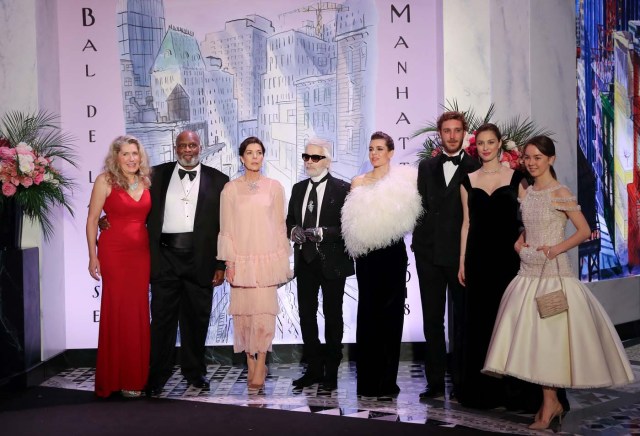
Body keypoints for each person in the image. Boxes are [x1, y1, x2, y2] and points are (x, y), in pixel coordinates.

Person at [483, 135, 634, 430]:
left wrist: (555, 249)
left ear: (551, 159)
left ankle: (551, 402)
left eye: (538, 157)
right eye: (527, 157)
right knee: (533, 341)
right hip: (527, 273)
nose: (531, 163)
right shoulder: (525, 191)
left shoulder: (559, 192)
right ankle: (549, 401)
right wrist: (520, 241)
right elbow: (530, 225)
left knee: (550, 340)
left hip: (553, 276)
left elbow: (583, 230)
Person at [145, 130, 229, 395]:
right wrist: (108, 219)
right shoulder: (155, 175)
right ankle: (157, 375)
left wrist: (220, 264)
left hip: (200, 260)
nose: (188, 150)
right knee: (161, 321)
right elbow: (135, 206)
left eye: (192, 145)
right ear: (175, 147)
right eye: (183, 145)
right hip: (165, 259)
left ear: (200, 147)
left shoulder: (219, 180)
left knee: (196, 321)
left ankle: (195, 373)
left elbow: (225, 227)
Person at [341, 131, 422, 397]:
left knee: (391, 318)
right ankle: (367, 382)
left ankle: (387, 382)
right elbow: (352, 224)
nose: (374, 153)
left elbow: (407, 219)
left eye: (379, 149)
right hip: (366, 259)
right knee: (368, 317)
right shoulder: (358, 182)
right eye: (371, 149)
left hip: (392, 256)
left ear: (390, 152)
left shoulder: (404, 182)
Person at [456, 123, 528, 408]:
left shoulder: (517, 178)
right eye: (481, 143)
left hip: (509, 259)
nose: (486, 147)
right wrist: (462, 261)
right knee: (481, 322)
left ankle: (513, 392)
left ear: (499, 144)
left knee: (510, 322)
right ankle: (483, 391)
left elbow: (530, 217)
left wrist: (524, 242)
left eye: (491, 142)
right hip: (477, 259)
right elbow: (466, 224)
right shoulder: (467, 180)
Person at [412, 111, 481, 399]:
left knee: (463, 319)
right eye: (446, 131)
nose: (452, 135)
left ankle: (463, 381)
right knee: (431, 319)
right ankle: (436, 383)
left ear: (464, 133)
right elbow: (420, 206)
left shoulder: (477, 166)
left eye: (457, 130)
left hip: (460, 255)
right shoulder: (426, 166)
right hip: (427, 253)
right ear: (439, 134)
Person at [218, 136, 292, 390]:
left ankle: (261, 362)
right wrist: (230, 262)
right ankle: (250, 362)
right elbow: (226, 228)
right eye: (250, 153)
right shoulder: (230, 189)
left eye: (259, 152)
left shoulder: (274, 187)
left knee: (263, 315)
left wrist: (282, 260)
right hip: (241, 260)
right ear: (241, 157)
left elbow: (280, 226)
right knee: (244, 316)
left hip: (266, 259)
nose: (255, 157)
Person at [86, 135, 152, 398]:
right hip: (113, 252)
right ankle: (113, 378)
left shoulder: (147, 181)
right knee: (116, 310)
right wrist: (93, 256)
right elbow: (92, 219)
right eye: (125, 154)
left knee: (137, 312)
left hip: (141, 254)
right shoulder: (105, 181)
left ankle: (135, 378)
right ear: (116, 157)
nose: (131, 158)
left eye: (135, 153)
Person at [286, 139, 354, 391]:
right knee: (306, 315)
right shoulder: (297, 188)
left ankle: (332, 373)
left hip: (332, 263)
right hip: (305, 261)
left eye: (315, 157)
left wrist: (324, 232)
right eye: (306, 156)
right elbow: (290, 220)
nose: (309, 162)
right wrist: (293, 230)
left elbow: (350, 227)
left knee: (333, 316)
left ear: (327, 161)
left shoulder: (343, 189)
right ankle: (313, 369)